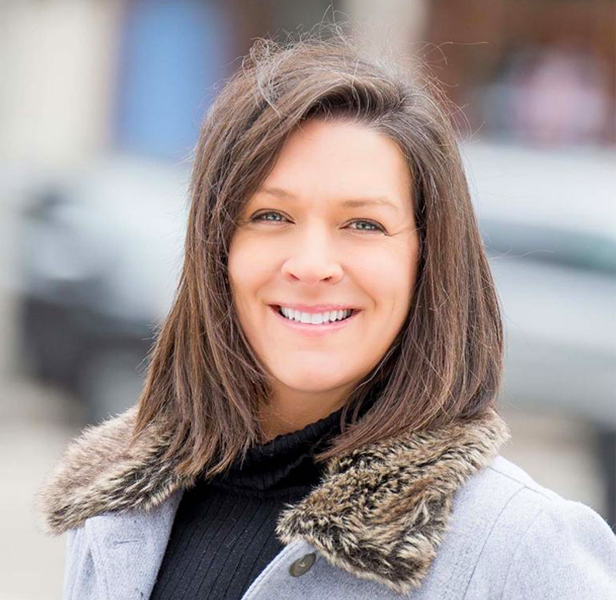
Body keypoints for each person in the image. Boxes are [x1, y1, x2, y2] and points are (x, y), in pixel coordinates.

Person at [36, 28, 616, 600]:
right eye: (270, 216)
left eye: (363, 224)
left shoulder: (519, 544)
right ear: (218, 251)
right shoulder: (121, 513)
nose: (312, 265)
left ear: (428, 262)